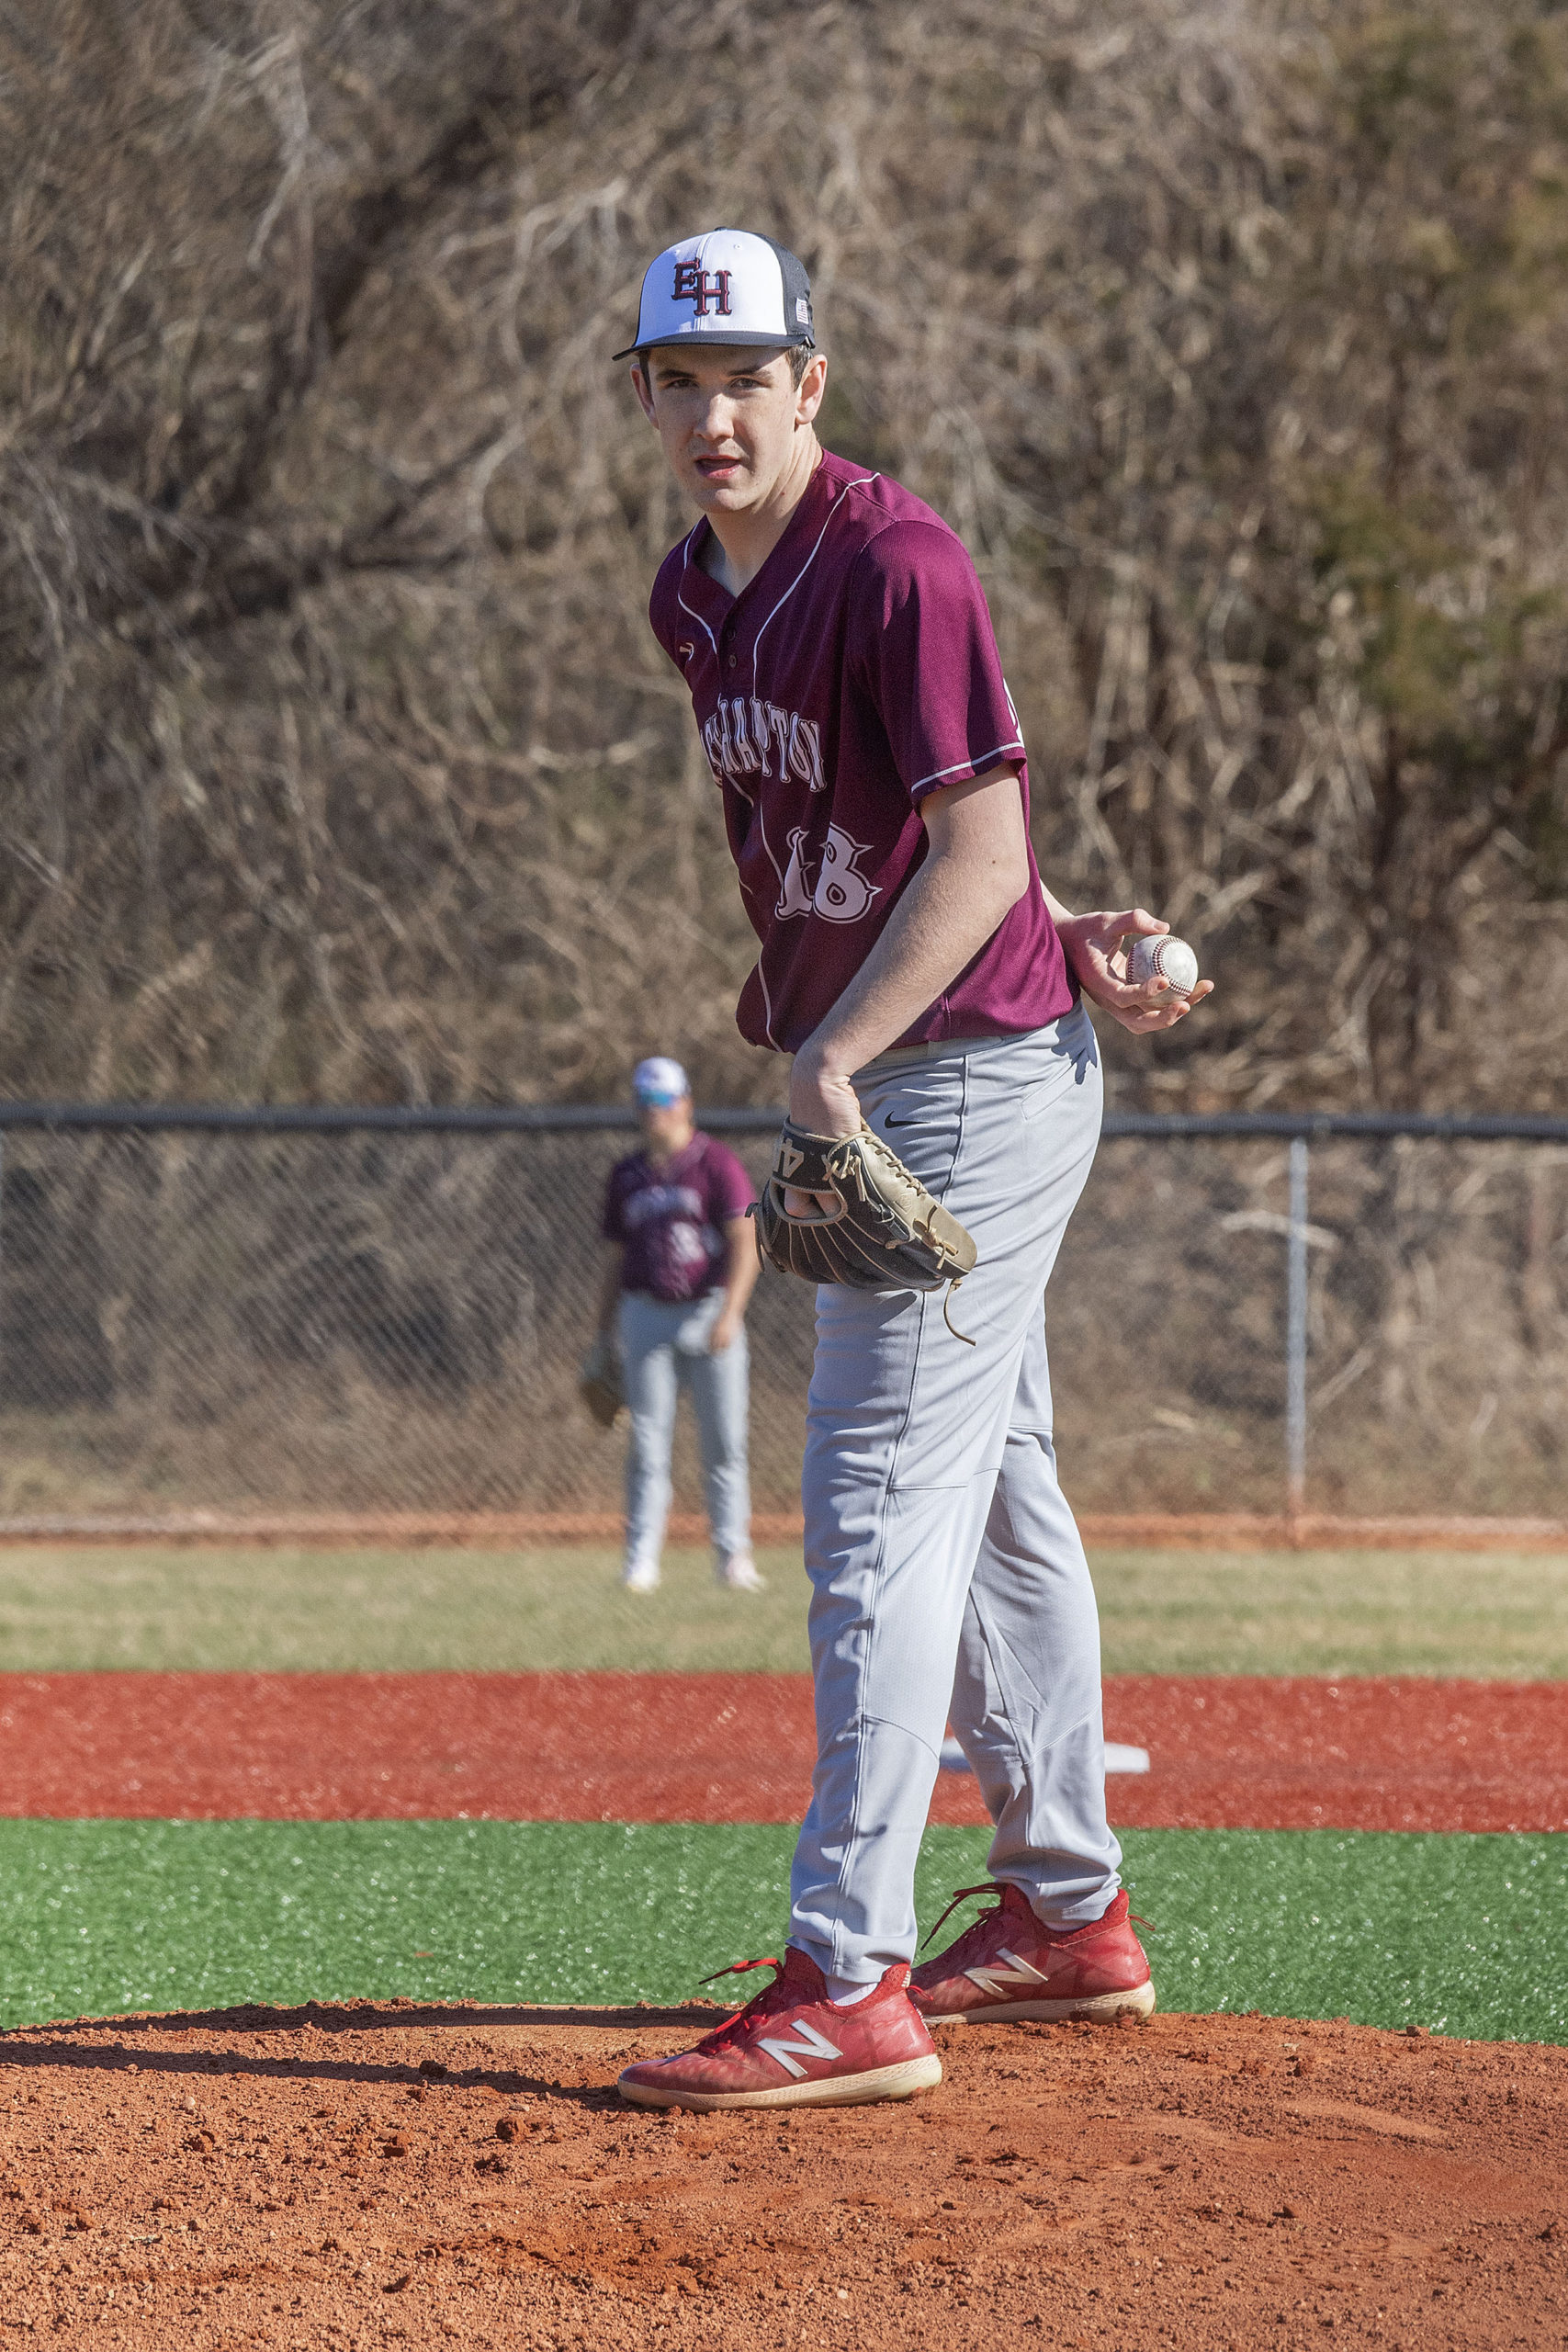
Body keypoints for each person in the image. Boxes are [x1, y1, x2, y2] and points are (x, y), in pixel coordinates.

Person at [611, 231, 1213, 2111]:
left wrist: (829, 1044)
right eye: (679, 380)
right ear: (648, 397)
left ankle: (845, 1975)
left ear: (811, 380)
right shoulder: (692, 596)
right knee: (1001, 1487)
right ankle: (1059, 1910)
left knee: (874, 1505)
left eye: (747, 374)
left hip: (953, 1090)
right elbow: (879, 832)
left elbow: (969, 843)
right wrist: (966, 936)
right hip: (912, 1064)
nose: (715, 412)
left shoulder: (897, 562)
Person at [596, 1056, 762, 1594]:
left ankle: (733, 1558)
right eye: (645, 1102)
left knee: (724, 1445)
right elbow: (614, 1262)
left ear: (686, 1102)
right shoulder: (627, 1174)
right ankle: (641, 1560)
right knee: (647, 1445)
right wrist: (602, 1336)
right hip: (645, 1316)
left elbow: (746, 1243)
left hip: (707, 1310)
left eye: (663, 1101)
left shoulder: (715, 1163)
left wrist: (731, 1313)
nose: (654, 1112)